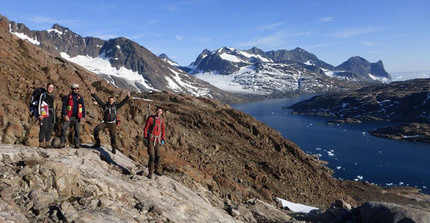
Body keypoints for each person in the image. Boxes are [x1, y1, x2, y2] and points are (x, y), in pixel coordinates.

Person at [58, 84, 85, 148]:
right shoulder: (68, 97)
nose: (76, 90)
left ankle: (77, 143)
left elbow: (83, 107)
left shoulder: (80, 97)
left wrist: (83, 116)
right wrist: (65, 115)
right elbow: (64, 106)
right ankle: (62, 142)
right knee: (64, 128)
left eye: (77, 88)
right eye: (74, 88)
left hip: (77, 117)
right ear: (72, 89)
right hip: (69, 116)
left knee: (77, 130)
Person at [144, 107, 166, 179]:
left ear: (162, 112)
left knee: (158, 156)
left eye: (161, 111)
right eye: (158, 111)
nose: (159, 112)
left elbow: (163, 129)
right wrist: (145, 137)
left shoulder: (162, 120)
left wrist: (163, 138)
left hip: (158, 140)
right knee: (152, 156)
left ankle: (157, 170)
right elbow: (146, 128)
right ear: (156, 111)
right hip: (151, 139)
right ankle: (150, 172)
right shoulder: (151, 119)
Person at [38, 83, 55, 148]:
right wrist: (40, 114)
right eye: (49, 87)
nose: (50, 89)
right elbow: (39, 104)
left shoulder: (52, 96)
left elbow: (53, 106)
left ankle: (47, 142)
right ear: (47, 87)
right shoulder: (43, 95)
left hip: (50, 113)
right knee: (43, 127)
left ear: (53, 89)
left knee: (49, 128)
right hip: (44, 113)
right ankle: (41, 142)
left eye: (51, 87)